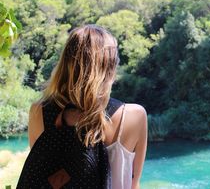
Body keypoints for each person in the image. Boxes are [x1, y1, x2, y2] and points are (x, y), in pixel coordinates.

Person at [20, 25, 147, 189]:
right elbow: (133, 184)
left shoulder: (39, 111)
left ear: (65, 64)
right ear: (110, 68)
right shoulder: (133, 116)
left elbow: (43, 171)